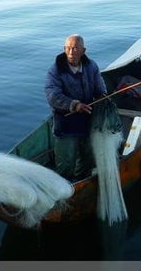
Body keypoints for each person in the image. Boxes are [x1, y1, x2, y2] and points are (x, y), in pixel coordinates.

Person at [45, 34, 107, 180]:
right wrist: (74, 104)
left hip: (87, 120)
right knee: (66, 163)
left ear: (83, 50)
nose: (71, 52)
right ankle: (65, 189)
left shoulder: (91, 66)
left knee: (87, 158)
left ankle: (81, 183)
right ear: (64, 49)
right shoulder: (55, 71)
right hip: (66, 123)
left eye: (75, 48)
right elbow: (52, 95)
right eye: (68, 48)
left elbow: (100, 86)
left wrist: (102, 95)